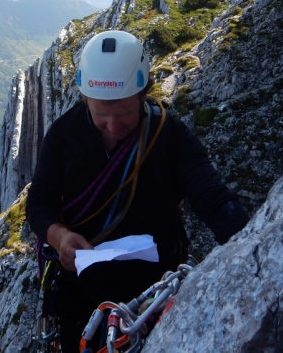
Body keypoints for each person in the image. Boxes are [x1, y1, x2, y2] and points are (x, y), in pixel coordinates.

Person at [26, 30, 249, 352]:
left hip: (155, 286)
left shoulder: (168, 134)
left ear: (143, 94)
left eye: (124, 114)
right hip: (83, 290)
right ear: (84, 98)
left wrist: (247, 245)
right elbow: (39, 205)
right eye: (101, 114)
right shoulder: (63, 137)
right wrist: (59, 236)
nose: (113, 127)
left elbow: (211, 196)